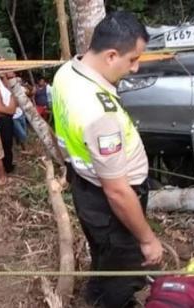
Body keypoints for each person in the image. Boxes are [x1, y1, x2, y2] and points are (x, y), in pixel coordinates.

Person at [52, 11, 163, 308]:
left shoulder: (66, 72)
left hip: (84, 184)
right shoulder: (99, 113)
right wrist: (148, 239)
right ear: (112, 55)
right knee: (123, 265)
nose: (136, 68)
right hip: (109, 199)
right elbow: (117, 190)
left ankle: (95, 294)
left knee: (103, 250)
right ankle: (114, 301)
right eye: (132, 59)